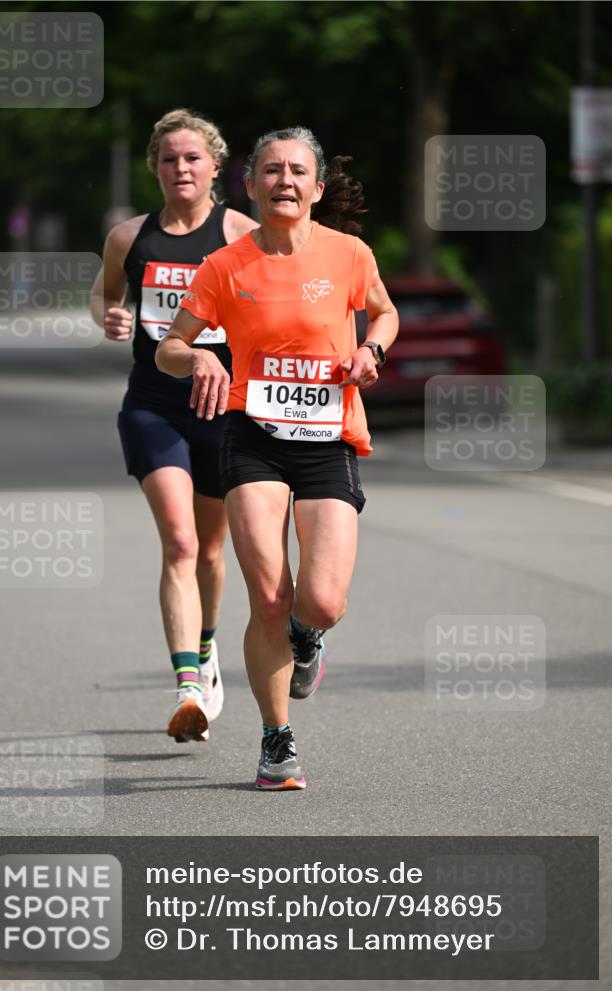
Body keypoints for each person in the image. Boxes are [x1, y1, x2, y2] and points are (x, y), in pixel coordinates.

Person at [155, 126, 398, 788]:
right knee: (267, 595)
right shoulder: (224, 266)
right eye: (270, 170)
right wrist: (198, 356)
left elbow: (384, 314)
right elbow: (168, 346)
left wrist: (370, 350)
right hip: (252, 437)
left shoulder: (348, 254)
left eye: (296, 171)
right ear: (251, 185)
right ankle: (275, 739)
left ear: (316, 188)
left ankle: (307, 636)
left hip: (328, 438)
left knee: (321, 601)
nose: (283, 181)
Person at [90, 109, 257, 742]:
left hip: (223, 407)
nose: (180, 168)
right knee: (181, 544)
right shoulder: (129, 237)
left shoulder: (242, 235)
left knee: (212, 550)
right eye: (169, 159)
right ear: (154, 167)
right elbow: (106, 294)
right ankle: (187, 685)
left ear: (216, 165)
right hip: (153, 403)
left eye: (192, 158)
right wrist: (109, 316)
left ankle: (206, 649)